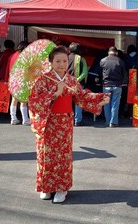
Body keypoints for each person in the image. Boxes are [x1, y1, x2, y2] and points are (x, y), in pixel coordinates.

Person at [28, 46, 109, 203]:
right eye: (57, 61)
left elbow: (82, 96)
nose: (62, 64)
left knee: (63, 156)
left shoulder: (71, 80)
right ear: (51, 62)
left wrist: (99, 99)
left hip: (64, 122)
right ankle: (46, 186)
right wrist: (54, 93)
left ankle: (61, 188)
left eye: (64, 61)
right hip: (48, 122)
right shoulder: (43, 80)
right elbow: (34, 102)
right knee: (46, 155)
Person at [100, 46, 126, 127]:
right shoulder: (120, 61)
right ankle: (113, 122)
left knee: (106, 104)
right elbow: (123, 74)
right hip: (117, 85)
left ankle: (108, 121)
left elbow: (100, 72)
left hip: (106, 85)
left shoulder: (103, 61)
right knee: (115, 104)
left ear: (108, 52)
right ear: (116, 53)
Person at [8, 41, 30, 125]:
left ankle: (13, 117)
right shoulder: (24, 57)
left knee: (14, 99)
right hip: (23, 79)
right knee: (23, 100)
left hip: (13, 79)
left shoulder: (12, 55)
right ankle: (25, 119)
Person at [68, 43, 88, 126]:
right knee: (78, 102)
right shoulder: (81, 59)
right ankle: (77, 121)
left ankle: (68, 120)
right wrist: (77, 80)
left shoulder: (65, 58)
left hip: (67, 83)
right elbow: (84, 72)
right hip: (78, 84)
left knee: (68, 102)